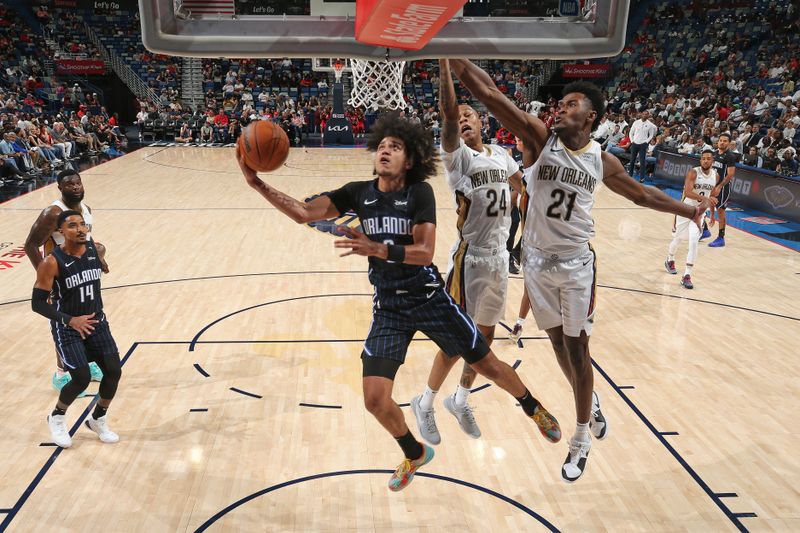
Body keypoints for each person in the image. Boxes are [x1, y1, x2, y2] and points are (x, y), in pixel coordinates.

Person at [237, 112, 561, 492]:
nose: (386, 151)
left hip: (429, 297)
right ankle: (414, 451)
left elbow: (425, 252)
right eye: (382, 146)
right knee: (375, 399)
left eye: (396, 147)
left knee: (486, 363)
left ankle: (531, 405)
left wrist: (375, 248)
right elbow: (304, 213)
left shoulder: (417, 193)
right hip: (390, 307)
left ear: (410, 160)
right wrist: (256, 183)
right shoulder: (358, 192)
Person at [449, 59, 713, 483]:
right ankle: (590, 403)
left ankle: (581, 438)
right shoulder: (538, 138)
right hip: (534, 262)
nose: (559, 108)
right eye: (559, 102)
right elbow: (491, 97)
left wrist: (688, 209)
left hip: (575, 266)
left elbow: (642, 195)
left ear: (590, 116)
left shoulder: (601, 161)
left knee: (577, 350)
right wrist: (452, 55)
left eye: (570, 103)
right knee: (555, 343)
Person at [409, 60, 526, 445]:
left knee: (487, 337)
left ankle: (460, 399)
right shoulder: (458, 158)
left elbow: (521, 186)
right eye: (457, 116)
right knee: (456, 339)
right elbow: (447, 111)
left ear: (482, 122)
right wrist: (445, 60)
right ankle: (425, 402)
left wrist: (519, 207)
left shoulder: (502, 156)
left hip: (497, 259)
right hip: (468, 258)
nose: (462, 119)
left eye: (469, 114)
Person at [32, 210, 122, 448]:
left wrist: (102, 262)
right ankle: (57, 416)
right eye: (73, 226)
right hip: (69, 328)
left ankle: (97, 419)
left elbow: (100, 259)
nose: (80, 229)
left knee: (113, 371)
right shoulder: (51, 262)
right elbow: (37, 304)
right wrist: (71, 320)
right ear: (60, 232)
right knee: (80, 379)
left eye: (83, 224)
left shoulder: (94, 249)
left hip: (97, 323)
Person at [24, 170, 108, 393]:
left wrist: (99, 256)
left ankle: (87, 363)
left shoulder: (86, 210)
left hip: (83, 275)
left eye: (78, 183)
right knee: (65, 324)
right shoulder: (53, 212)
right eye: (69, 184)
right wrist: (46, 277)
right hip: (62, 278)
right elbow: (31, 245)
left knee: (88, 318)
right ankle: (61, 374)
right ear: (60, 188)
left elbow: (88, 242)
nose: (75, 187)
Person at [665, 150, 718, 289]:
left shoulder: (715, 176)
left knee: (694, 241)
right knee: (678, 238)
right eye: (703, 158)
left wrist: (712, 214)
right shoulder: (693, 172)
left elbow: (712, 197)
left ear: (712, 161)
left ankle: (687, 275)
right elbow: (688, 192)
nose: (705, 161)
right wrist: (705, 198)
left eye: (708, 159)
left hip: (700, 213)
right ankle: (670, 259)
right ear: (700, 160)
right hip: (685, 209)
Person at [707, 132, 740, 247]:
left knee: (720, 211)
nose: (722, 142)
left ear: (729, 143)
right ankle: (705, 230)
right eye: (720, 140)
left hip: (723, 187)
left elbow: (730, 174)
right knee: (706, 203)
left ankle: (721, 238)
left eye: (725, 141)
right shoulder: (714, 153)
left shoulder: (730, 156)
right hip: (712, 185)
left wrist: (719, 186)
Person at [628, 110, 658, 181]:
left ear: (648, 116)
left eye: (646, 114)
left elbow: (651, 135)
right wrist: (632, 141)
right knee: (632, 160)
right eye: (643, 114)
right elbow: (630, 133)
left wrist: (646, 142)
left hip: (643, 145)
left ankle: (642, 178)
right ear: (641, 114)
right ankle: (630, 175)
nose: (645, 115)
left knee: (642, 161)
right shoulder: (636, 122)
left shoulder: (650, 124)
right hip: (635, 143)